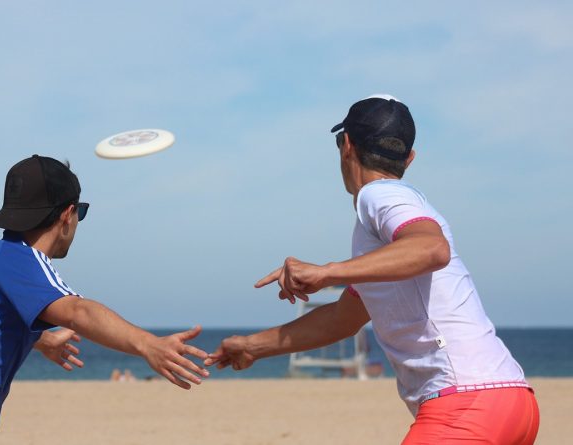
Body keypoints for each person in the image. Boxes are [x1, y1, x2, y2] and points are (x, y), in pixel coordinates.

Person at [206, 95, 540, 444]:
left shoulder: (378, 195)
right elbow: (342, 318)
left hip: (466, 405)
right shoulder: (391, 239)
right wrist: (252, 346)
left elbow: (432, 248)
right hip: (513, 400)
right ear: (409, 158)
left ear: (346, 145)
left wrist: (327, 272)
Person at [0, 155, 209, 445]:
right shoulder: (22, 261)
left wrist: (41, 340)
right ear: (68, 215)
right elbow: (77, 311)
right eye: (81, 212)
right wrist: (148, 345)